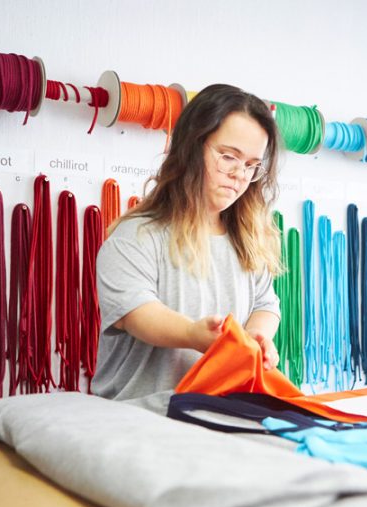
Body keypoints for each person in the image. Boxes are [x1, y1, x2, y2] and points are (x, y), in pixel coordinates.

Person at [93, 84, 283, 403]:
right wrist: (193, 335)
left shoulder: (249, 238)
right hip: (137, 415)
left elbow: (266, 304)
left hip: (218, 411)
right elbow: (136, 313)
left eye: (251, 165)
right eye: (228, 157)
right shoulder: (135, 237)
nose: (240, 174)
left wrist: (257, 337)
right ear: (191, 147)